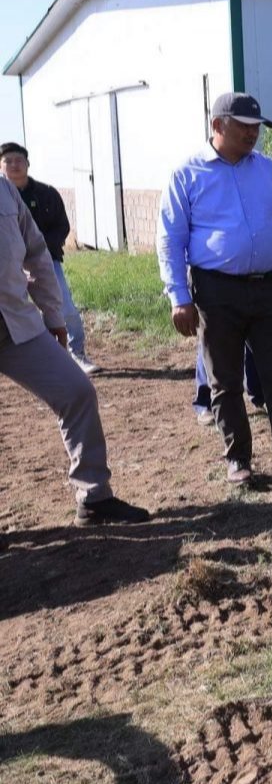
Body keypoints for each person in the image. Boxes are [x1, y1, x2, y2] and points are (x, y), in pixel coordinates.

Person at [155, 92, 272, 489]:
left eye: (256, 127)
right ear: (217, 125)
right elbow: (170, 239)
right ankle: (238, 459)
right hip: (215, 292)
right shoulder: (188, 174)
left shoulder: (269, 170)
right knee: (224, 380)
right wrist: (179, 297)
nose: (252, 134)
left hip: (268, 289)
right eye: (243, 126)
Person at [0, 177, 149, 527]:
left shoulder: (5, 191)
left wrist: (52, 313)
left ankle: (94, 496)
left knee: (76, 390)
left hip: (14, 323)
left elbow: (36, 250)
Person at [1, 142, 98, 374]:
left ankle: (77, 354)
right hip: (9, 268)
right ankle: (32, 359)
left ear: (27, 164)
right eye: (8, 161)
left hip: (44, 261)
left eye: (19, 160)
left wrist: (41, 250)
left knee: (64, 306)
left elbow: (61, 226)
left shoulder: (46, 194)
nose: (14, 165)